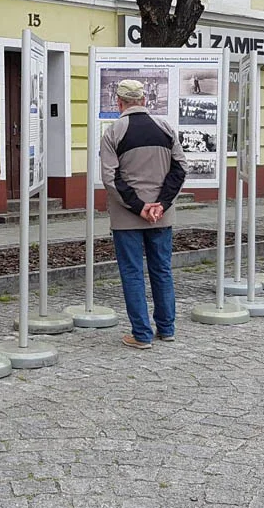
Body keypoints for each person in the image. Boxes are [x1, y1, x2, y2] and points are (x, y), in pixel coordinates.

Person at [100, 79, 187, 350]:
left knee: (133, 272)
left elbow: (110, 178)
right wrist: (160, 204)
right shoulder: (165, 128)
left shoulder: (114, 132)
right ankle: (167, 328)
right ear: (144, 100)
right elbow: (180, 169)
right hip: (162, 215)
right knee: (162, 270)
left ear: (119, 102)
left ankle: (141, 334)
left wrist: (140, 207)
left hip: (128, 218)